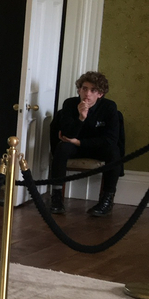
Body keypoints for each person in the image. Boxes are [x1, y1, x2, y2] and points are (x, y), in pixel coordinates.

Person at [50, 71, 122, 217]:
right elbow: (67, 135)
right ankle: (56, 197)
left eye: (93, 90)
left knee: (114, 151)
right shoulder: (70, 104)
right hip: (74, 146)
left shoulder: (109, 107)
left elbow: (110, 140)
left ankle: (107, 200)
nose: (87, 94)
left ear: (100, 94)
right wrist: (81, 118)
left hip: (96, 147)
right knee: (62, 147)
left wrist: (79, 142)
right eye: (84, 88)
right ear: (79, 90)